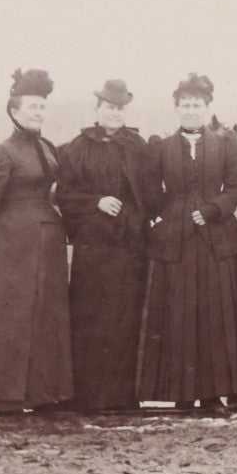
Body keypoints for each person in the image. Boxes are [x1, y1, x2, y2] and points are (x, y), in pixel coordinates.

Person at [0, 68, 73, 413]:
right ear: (14, 111)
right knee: (10, 316)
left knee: (45, 315)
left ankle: (43, 392)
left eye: (42, 106)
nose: (38, 112)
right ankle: (0, 395)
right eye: (32, 106)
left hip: (47, 241)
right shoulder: (0, 152)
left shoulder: (47, 148)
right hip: (11, 244)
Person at [138, 73, 237, 408]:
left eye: (197, 105)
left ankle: (213, 394)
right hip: (177, 241)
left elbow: (235, 188)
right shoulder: (162, 147)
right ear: (176, 108)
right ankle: (182, 393)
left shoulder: (224, 144)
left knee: (215, 315)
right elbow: (151, 190)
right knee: (179, 314)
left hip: (216, 239)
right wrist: (169, 216)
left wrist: (213, 210)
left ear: (208, 108)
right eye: (185, 105)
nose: (191, 110)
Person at [55, 79, 149, 412]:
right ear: (98, 109)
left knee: (126, 316)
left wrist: (134, 222)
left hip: (129, 245)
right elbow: (64, 195)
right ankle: (89, 396)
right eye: (109, 107)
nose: (115, 113)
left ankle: (123, 397)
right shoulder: (77, 148)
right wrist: (97, 201)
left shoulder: (138, 145)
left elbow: (150, 193)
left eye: (120, 107)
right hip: (93, 247)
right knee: (91, 316)